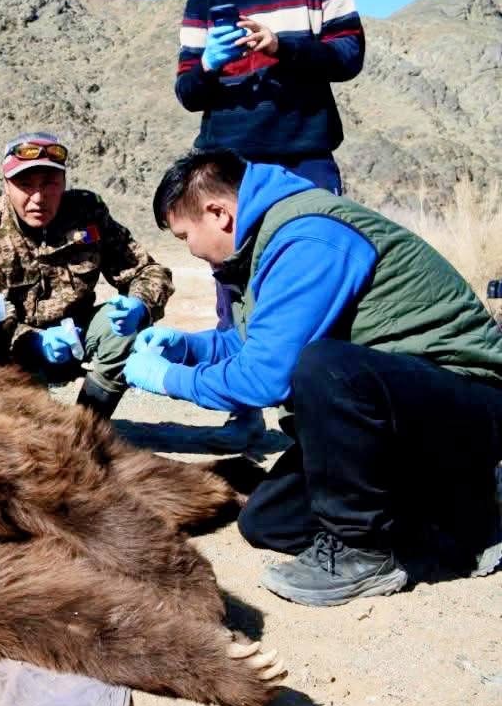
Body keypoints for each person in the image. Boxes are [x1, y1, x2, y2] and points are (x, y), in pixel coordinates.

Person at [127, 149, 502, 606]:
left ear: (218, 213)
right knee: (271, 522)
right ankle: (454, 514)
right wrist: (187, 347)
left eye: (186, 236)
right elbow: (256, 343)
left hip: (469, 402)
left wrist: (170, 381)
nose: (191, 249)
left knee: (325, 368)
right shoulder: (264, 244)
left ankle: (368, 553)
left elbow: (266, 378)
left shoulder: (309, 238)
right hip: (397, 412)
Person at [175, 0, 366, 448]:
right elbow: (187, 91)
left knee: (320, 268)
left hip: (304, 153)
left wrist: (283, 48)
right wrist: (209, 64)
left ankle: (321, 405)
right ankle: (241, 402)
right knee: (230, 281)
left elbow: (349, 54)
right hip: (231, 158)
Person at [0, 133, 174, 419]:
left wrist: (140, 305)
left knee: (124, 331)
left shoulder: (87, 213)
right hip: (14, 350)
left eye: (49, 184)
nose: (38, 198)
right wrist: (33, 341)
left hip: (79, 336)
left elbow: (147, 271)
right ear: (6, 186)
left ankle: (89, 425)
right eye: (24, 185)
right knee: (32, 437)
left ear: (64, 182)